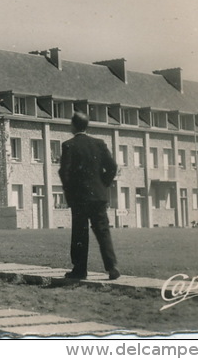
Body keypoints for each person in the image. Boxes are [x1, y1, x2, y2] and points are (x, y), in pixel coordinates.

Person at [58, 112, 120, 280]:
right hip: (98, 196)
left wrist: (69, 193)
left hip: (79, 198)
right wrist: (103, 184)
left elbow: (65, 173)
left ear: (73, 126)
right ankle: (112, 267)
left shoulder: (68, 145)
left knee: (80, 233)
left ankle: (80, 270)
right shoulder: (99, 144)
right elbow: (113, 167)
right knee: (103, 231)